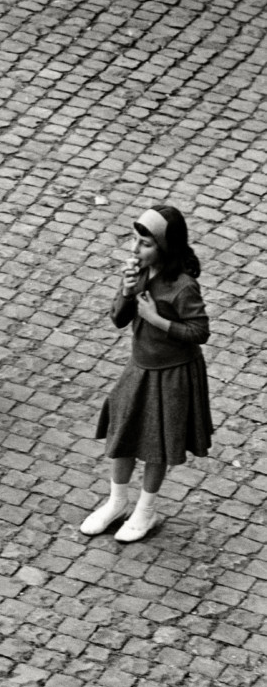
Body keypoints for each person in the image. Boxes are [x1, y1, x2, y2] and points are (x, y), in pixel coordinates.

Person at [81, 205, 213, 542]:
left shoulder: (183, 287)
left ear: (165, 248)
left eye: (145, 244)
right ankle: (117, 502)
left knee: (158, 444)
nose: (135, 249)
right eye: (135, 240)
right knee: (123, 434)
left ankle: (145, 510)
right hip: (140, 368)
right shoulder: (139, 272)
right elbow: (118, 318)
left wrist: (157, 320)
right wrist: (126, 291)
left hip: (172, 375)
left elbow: (199, 332)